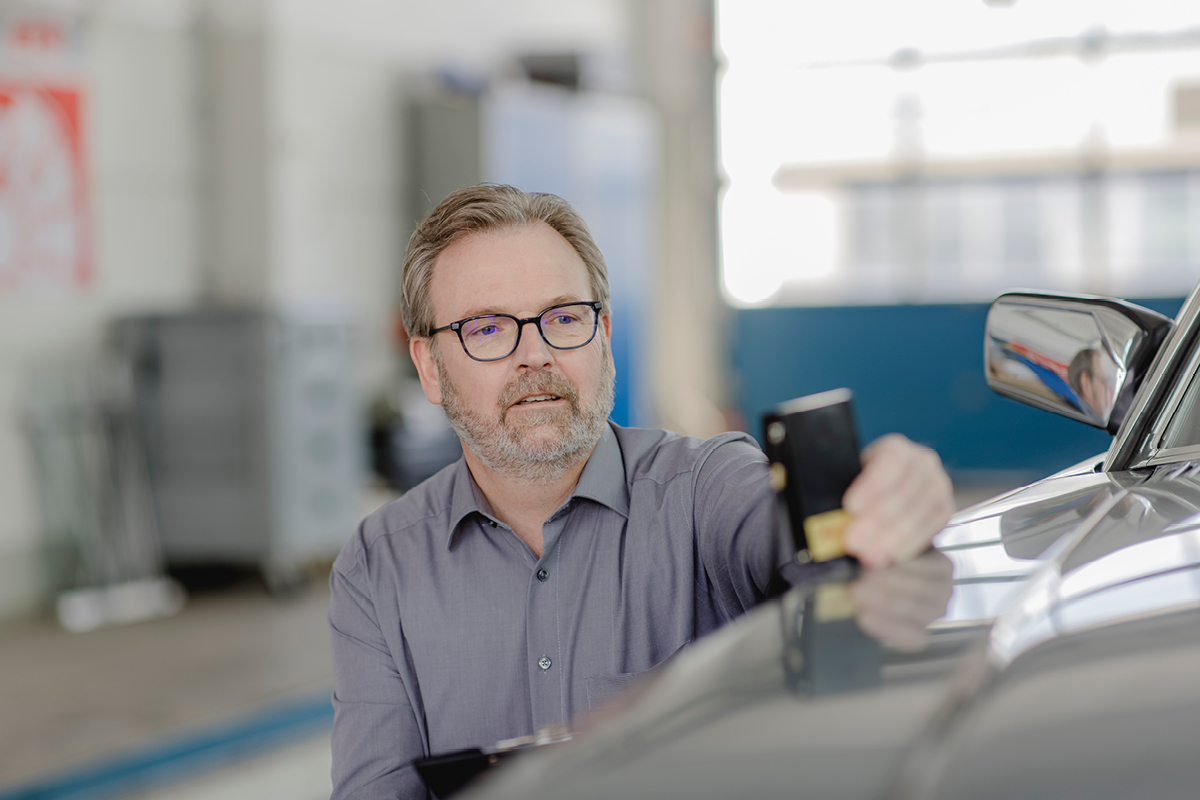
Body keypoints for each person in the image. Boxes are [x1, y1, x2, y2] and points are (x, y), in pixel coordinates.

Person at [328, 184, 955, 798]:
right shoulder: (379, 565)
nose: (536, 353)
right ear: (430, 368)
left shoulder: (704, 489)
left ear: (603, 340)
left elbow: (796, 535)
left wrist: (876, 502)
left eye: (564, 317)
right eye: (488, 329)